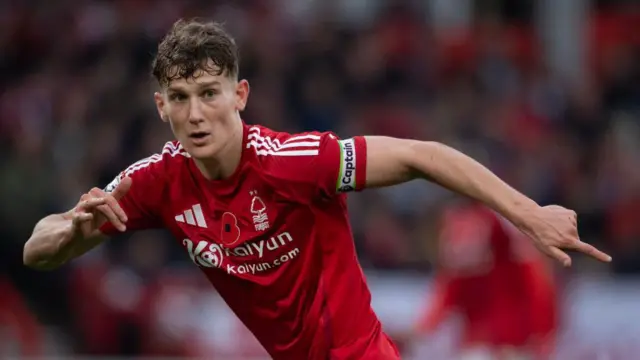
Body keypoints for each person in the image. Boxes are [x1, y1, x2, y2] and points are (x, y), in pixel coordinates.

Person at [23, 19, 611, 360]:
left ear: (240, 95)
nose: (196, 113)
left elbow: (420, 155)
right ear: (161, 107)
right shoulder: (155, 181)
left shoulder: (293, 161)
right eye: (180, 98)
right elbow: (38, 251)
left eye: (209, 92)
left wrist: (528, 214)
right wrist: (74, 227)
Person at [397, 202, 558, 359]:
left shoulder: (522, 265)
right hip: (479, 347)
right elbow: (434, 315)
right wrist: (412, 335)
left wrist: (541, 342)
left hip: (517, 348)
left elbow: (543, 303)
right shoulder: (458, 275)